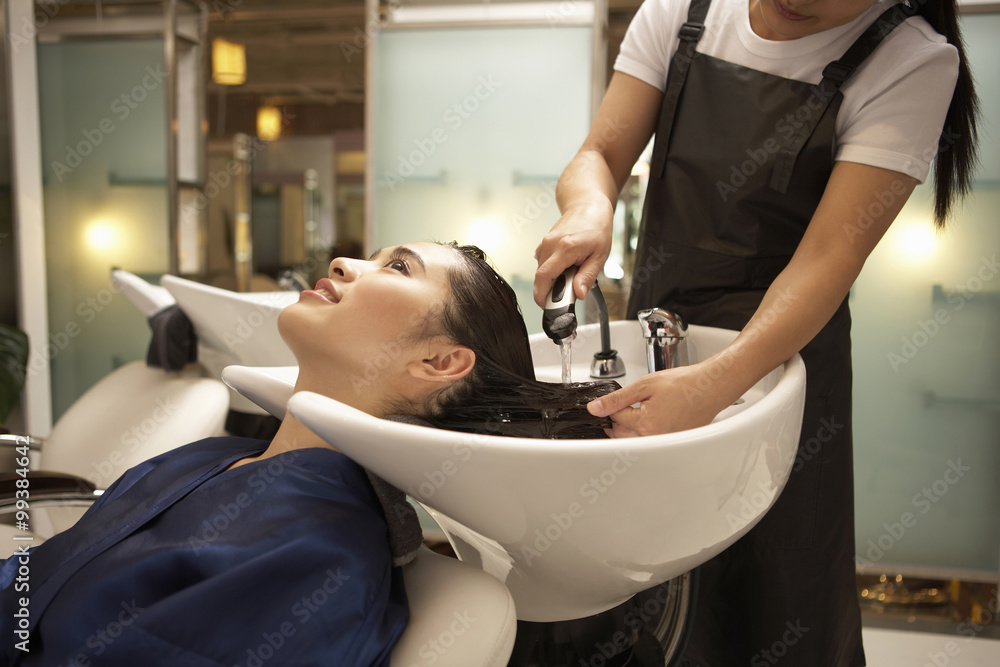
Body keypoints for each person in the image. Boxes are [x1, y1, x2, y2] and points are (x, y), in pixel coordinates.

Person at [532, 0, 979, 664]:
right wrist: (591, 205)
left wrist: (717, 383)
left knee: (773, 602)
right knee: (640, 597)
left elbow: (828, 258)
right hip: (661, 351)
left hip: (781, 373)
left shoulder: (910, 61)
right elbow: (600, 152)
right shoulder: (682, 11)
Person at [0, 242, 614, 666]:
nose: (343, 263)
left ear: (438, 362)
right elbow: (39, 582)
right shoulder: (213, 457)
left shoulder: (319, 558)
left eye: (398, 267)